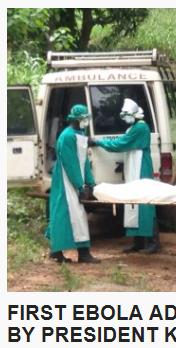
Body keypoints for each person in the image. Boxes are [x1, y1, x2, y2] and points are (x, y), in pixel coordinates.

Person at [88, 98, 160, 254]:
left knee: (145, 203)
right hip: (135, 165)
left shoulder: (140, 128)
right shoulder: (135, 127)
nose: (125, 119)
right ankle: (139, 242)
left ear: (134, 114)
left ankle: (153, 242)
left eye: (126, 115)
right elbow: (121, 140)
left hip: (141, 167)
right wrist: (101, 141)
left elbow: (119, 144)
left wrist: (98, 142)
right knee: (133, 203)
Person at [45, 104, 100, 264]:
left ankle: (73, 252)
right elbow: (71, 164)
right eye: (83, 119)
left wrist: (90, 182)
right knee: (65, 214)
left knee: (74, 215)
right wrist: (80, 185)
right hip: (66, 181)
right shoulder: (67, 136)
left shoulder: (80, 133)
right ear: (75, 119)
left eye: (86, 118)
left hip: (75, 181)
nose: (86, 121)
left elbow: (83, 162)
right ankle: (71, 253)